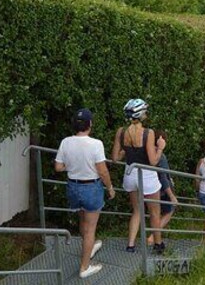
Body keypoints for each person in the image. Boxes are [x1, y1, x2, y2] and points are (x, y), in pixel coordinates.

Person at [54, 109, 115, 279]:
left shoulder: (66, 142)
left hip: (73, 187)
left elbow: (58, 167)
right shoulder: (96, 144)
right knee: (90, 229)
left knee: (83, 221)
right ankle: (84, 267)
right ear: (90, 124)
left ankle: (91, 246)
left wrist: (73, 166)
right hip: (91, 188)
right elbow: (102, 171)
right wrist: (110, 187)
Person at [112, 98, 165, 254]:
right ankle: (158, 244)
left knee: (137, 210)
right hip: (147, 176)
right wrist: (160, 148)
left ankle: (130, 245)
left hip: (129, 175)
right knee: (155, 212)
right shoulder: (148, 133)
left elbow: (115, 158)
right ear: (141, 114)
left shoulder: (121, 132)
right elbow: (153, 161)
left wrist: (127, 150)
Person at [152, 130, 177, 241]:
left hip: (152, 188)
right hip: (162, 189)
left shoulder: (149, 153)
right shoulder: (160, 156)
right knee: (169, 210)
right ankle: (153, 236)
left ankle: (154, 236)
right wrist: (171, 195)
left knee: (155, 213)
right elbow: (163, 177)